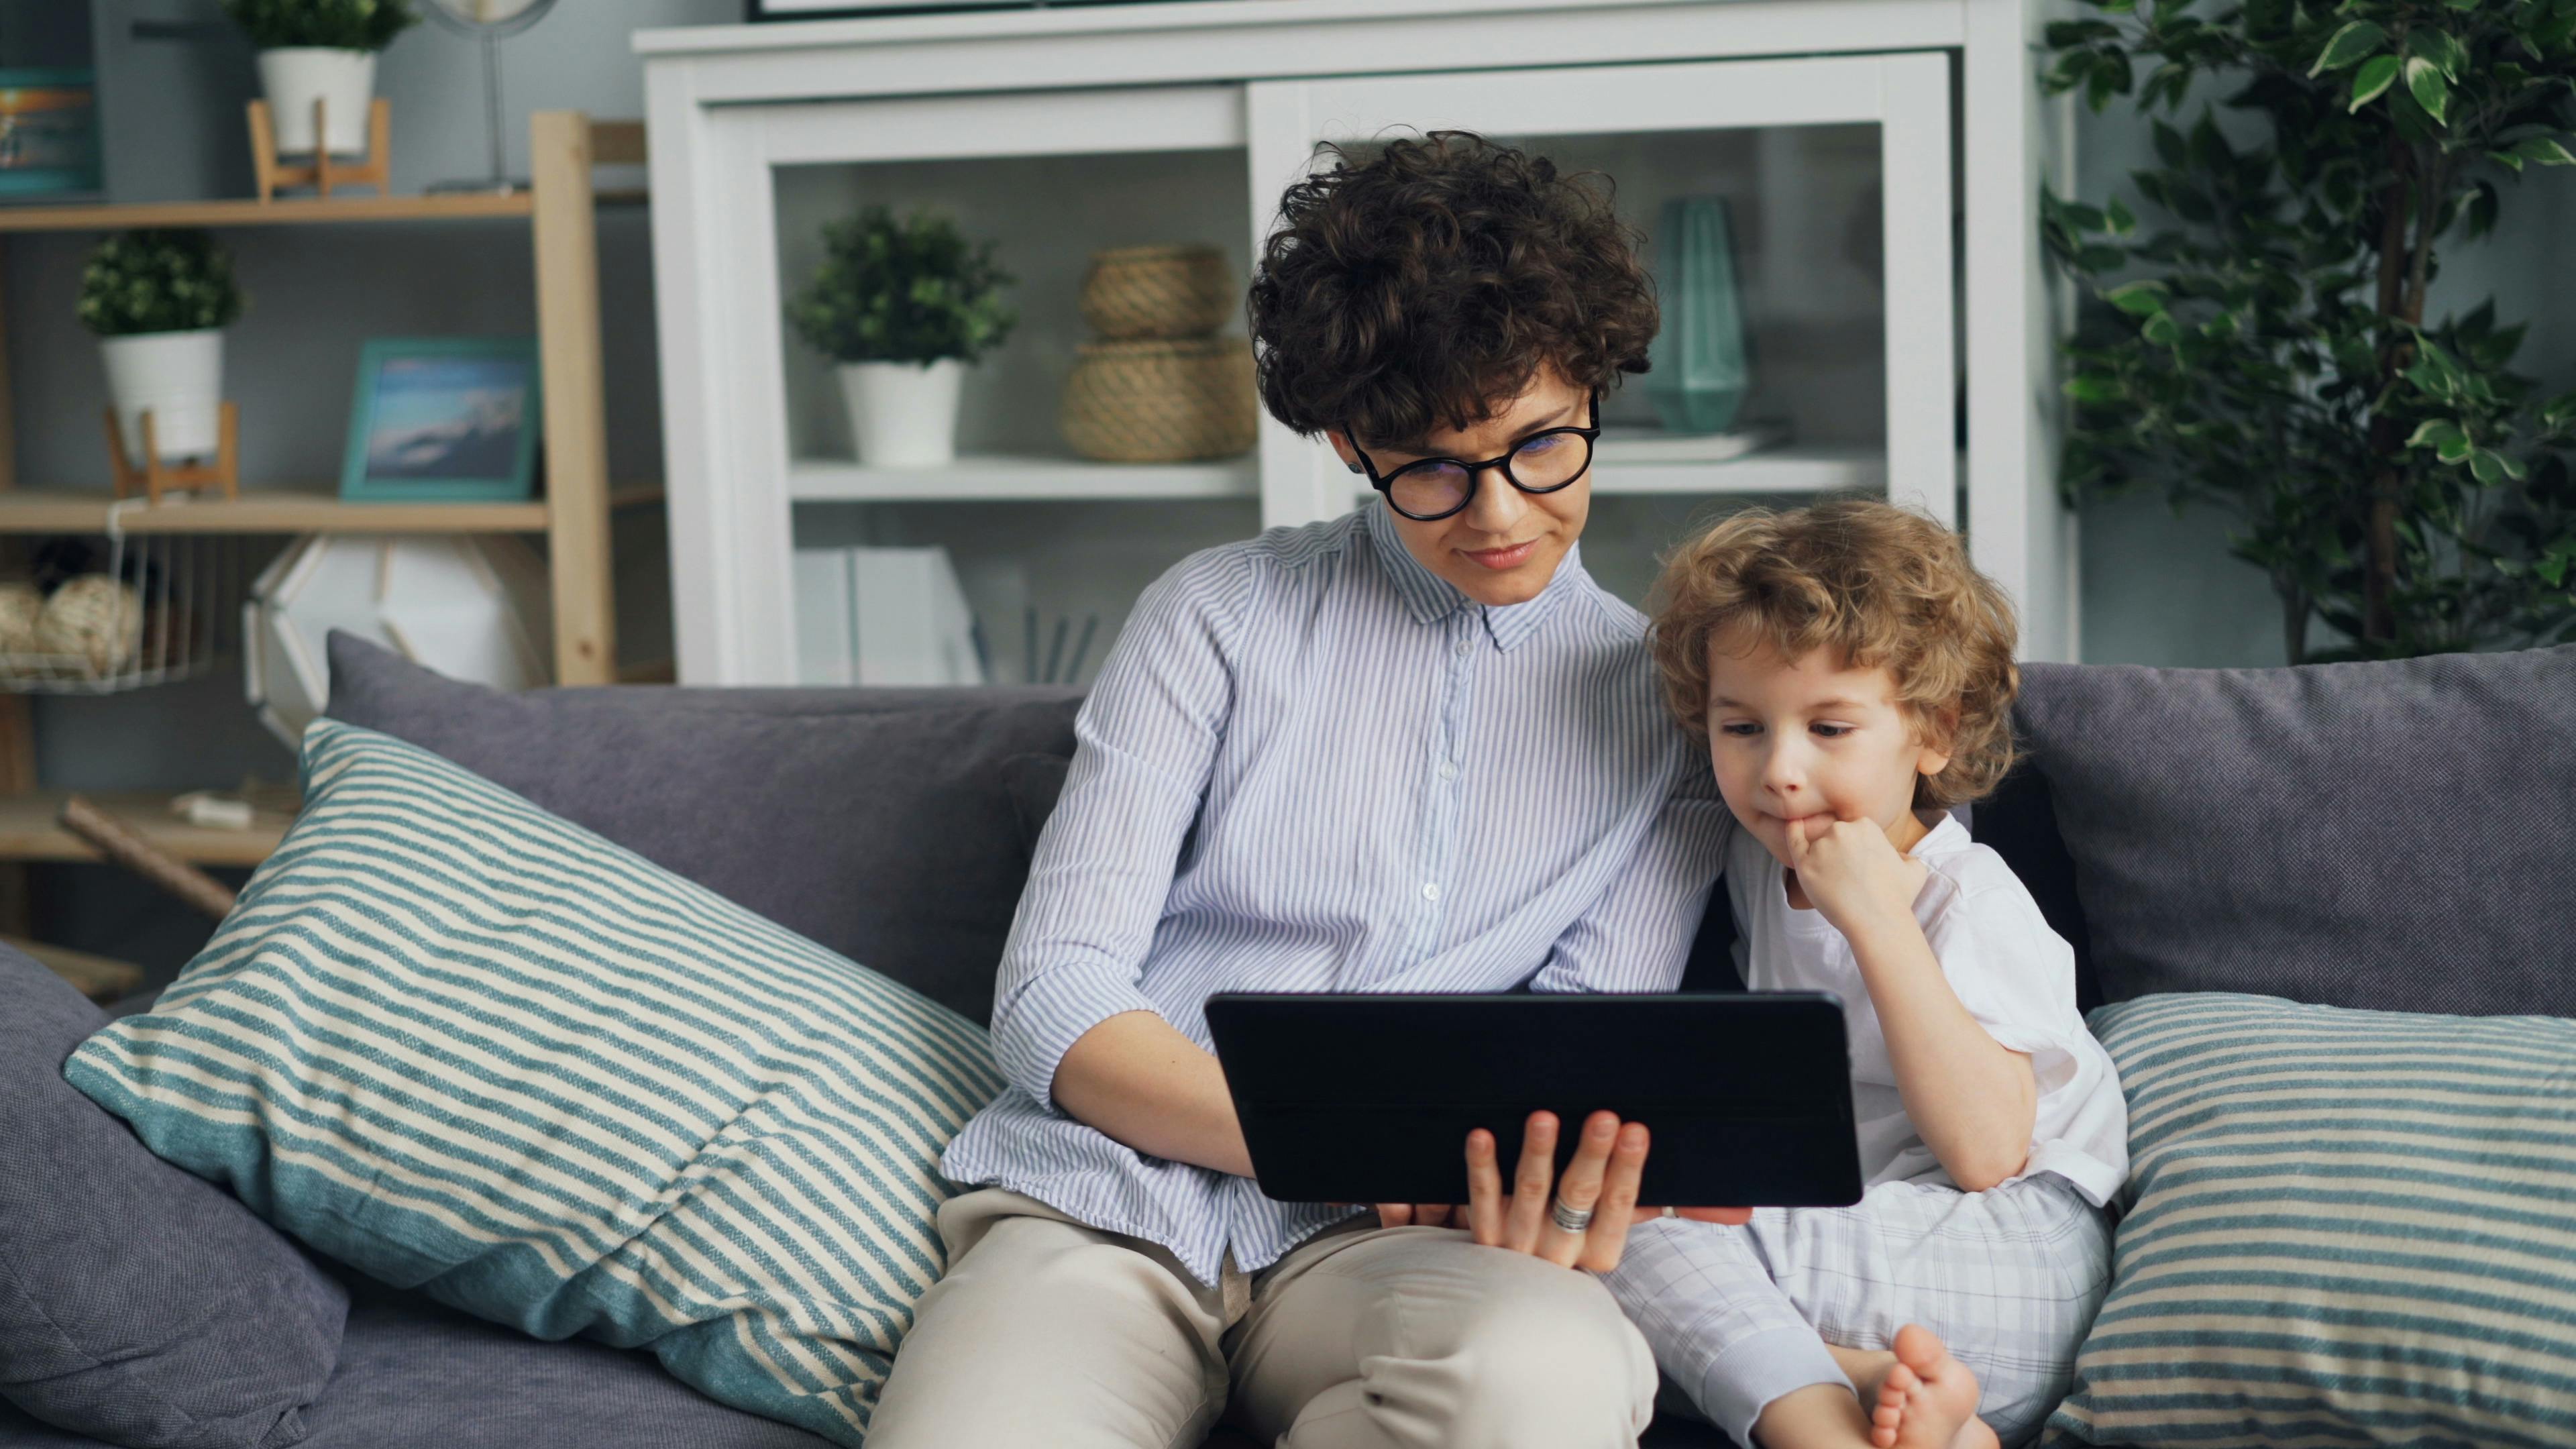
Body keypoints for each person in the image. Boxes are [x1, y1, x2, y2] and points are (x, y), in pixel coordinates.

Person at [861, 131, 1737, 1449]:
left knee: (1548, 1374)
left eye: (1541, 445)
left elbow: (1577, 1043)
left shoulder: (1670, 708)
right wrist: (1345, 1141)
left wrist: (1552, 1178)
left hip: (1381, 1257)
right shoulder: (1214, 616)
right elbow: (1056, 999)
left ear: (1595, 394)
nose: (1497, 512)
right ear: (1347, 441)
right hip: (1105, 1211)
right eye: (1432, 467)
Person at [1574, 498, 2129, 1449]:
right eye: (1741, 729)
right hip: (1889, 1277)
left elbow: (1991, 1153)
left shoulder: (1966, 897)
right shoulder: (1762, 860)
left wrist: (1880, 917)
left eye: (1831, 730)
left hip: (2020, 1255)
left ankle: (1825, 1415)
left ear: (1935, 734)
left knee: (1619, 1232)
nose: (1780, 770)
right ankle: (1916, 1411)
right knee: (1577, 1302)